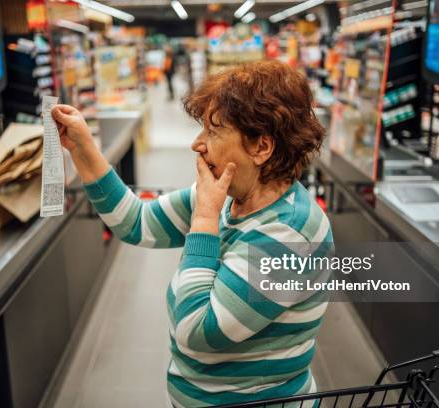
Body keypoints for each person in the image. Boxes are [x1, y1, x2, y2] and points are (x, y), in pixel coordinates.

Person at [51, 60, 332, 408]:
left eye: (213, 132)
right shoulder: (229, 197)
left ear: (261, 147)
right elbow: (136, 221)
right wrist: (82, 148)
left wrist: (204, 219)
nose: (197, 145)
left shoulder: (289, 233)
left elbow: (197, 331)